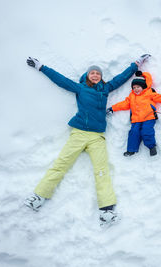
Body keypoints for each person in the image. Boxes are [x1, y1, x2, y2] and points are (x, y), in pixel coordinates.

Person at [24, 54, 151, 226]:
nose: (95, 75)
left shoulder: (106, 89)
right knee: (61, 164)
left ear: (101, 77)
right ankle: (38, 197)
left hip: (97, 136)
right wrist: (41, 67)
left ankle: (106, 211)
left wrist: (135, 64)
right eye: (92, 73)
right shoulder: (80, 88)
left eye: (98, 73)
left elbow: (121, 78)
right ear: (87, 76)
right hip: (79, 133)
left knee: (102, 170)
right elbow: (60, 79)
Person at [107, 71, 161, 156]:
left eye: (138, 87)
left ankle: (151, 147)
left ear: (143, 86)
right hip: (136, 119)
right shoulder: (132, 96)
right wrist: (113, 108)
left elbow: (160, 97)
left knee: (146, 131)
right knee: (134, 132)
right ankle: (131, 149)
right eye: (134, 87)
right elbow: (124, 104)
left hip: (148, 118)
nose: (136, 89)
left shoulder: (149, 93)